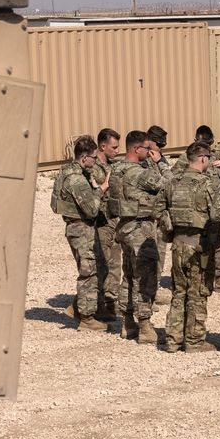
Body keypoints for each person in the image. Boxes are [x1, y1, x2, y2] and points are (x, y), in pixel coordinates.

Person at [160, 141, 220, 352]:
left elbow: (160, 210)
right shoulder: (207, 184)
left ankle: (172, 339)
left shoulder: (172, 182)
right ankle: (194, 340)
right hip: (199, 245)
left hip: (178, 243)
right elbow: (217, 215)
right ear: (203, 159)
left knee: (179, 291)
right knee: (197, 292)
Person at [106, 130, 166, 342]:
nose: (149, 152)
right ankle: (145, 326)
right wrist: (160, 162)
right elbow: (168, 183)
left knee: (129, 275)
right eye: (147, 149)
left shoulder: (116, 170)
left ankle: (127, 323)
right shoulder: (139, 174)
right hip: (140, 229)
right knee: (145, 277)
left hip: (124, 226)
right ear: (136, 149)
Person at [50, 134, 108, 329]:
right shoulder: (76, 180)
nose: (95, 161)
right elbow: (91, 209)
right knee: (88, 271)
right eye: (93, 158)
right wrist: (101, 189)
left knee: (95, 267)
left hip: (77, 227)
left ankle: (78, 307)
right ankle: (86, 318)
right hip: (81, 228)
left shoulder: (67, 172)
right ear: (84, 158)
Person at [193, 125, 220, 294]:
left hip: (216, 207)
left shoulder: (217, 156)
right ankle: (201, 278)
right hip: (198, 207)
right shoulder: (188, 156)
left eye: (208, 145)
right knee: (199, 243)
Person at [92, 127, 123, 321]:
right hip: (100, 221)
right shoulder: (93, 168)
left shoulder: (113, 166)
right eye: (114, 147)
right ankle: (95, 304)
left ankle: (111, 301)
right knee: (101, 263)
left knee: (115, 262)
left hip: (114, 220)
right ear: (103, 146)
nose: (117, 150)